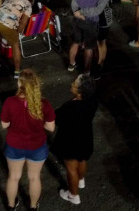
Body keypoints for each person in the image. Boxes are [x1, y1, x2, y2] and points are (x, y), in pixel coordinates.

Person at [1, 69, 55, 211]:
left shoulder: (10, 102)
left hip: (14, 145)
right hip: (37, 146)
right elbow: (51, 128)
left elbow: (4, 124)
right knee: (34, 178)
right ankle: (32, 206)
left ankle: (11, 206)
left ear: (20, 83)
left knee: (13, 177)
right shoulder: (44, 104)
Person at [54, 75, 98, 206]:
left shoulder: (71, 108)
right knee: (82, 159)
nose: (71, 84)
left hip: (71, 140)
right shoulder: (93, 101)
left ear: (80, 91)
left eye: (74, 83)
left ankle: (73, 195)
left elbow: (57, 119)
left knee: (71, 167)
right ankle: (81, 180)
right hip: (85, 136)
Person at [0, 0, 33, 79]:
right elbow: (23, 23)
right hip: (8, 24)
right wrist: (17, 32)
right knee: (15, 45)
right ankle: (17, 71)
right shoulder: (28, 4)